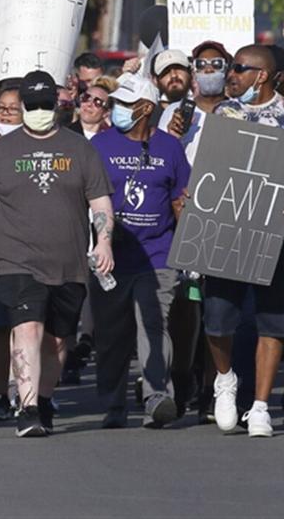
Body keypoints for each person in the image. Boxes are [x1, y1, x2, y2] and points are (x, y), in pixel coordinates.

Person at [0, 71, 114, 438]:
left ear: (57, 105)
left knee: (58, 340)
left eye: (45, 104)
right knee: (27, 328)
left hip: (68, 261)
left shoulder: (80, 148)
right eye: (31, 105)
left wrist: (104, 240)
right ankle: (27, 406)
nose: (39, 111)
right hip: (17, 258)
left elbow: (100, 202)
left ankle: (44, 398)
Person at [202, 45, 284, 438]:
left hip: (278, 233)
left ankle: (261, 406)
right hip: (228, 229)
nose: (229, 75)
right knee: (217, 318)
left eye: (238, 68)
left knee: (274, 319)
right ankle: (225, 379)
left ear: (262, 76)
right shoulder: (223, 113)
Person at [89, 74, 190, 428]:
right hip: (110, 257)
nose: (116, 109)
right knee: (113, 332)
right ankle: (114, 404)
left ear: (146, 109)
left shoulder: (170, 148)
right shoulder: (100, 145)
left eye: (124, 104)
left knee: (154, 323)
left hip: (158, 254)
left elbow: (182, 196)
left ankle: (157, 396)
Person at [162, 40, 231, 164]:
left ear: (226, 70)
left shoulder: (240, 112)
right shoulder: (173, 111)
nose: (208, 69)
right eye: (201, 64)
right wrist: (172, 139)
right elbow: (160, 159)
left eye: (216, 64)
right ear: (194, 72)